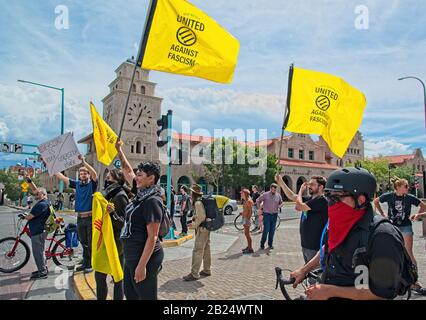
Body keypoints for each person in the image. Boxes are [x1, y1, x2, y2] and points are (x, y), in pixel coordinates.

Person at [291, 167, 409, 300]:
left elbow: (383, 292)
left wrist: (330, 291)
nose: (331, 204)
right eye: (328, 197)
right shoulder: (341, 222)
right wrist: (304, 270)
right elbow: (329, 247)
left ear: (361, 199)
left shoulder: (383, 235)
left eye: (337, 197)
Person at [120, 161, 164, 300]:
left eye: (140, 175)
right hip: (131, 256)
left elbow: (153, 237)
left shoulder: (152, 201)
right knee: (130, 293)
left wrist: (142, 265)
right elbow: (127, 171)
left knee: (146, 296)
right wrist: (119, 150)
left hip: (144, 258)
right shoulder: (140, 195)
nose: (136, 178)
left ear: (151, 178)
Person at [374, 177, 426, 293]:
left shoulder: (409, 198)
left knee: (408, 252)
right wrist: (382, 214)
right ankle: (392, 281)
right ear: (398, 187)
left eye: (408, 186)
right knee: (391, 252)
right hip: (392, 227)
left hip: (406, 226)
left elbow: (423, 205)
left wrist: (416, 215)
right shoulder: (389, 196)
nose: (408, 188)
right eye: (406, 186)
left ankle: (414, 281)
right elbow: (376, 201)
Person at [54, 154, 98, 273]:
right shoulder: (77, 184)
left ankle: (90, 264)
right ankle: (85, 262)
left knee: (90, 243)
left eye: (85, 173)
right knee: (83, 242)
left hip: (90, 218)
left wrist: (84, 162)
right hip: (80, 218)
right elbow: (62, 177)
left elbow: (94, 174)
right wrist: (51, 166)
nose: (83, 175)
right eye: (81, 173)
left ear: (88, 175)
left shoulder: (92, 185)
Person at [275, 174, 328, 264]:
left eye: (312, 184)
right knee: (309, 273)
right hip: (306, 245)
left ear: (321, 187)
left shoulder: (322, 200)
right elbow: (291, 196)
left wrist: (300, 191)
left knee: (315, 274)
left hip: (315, 246)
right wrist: (281, 182)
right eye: (309, 184)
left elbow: (299, 206)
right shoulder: (310, 199)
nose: (309, 186)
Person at [95, 169, 129, 300]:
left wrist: (112, 213)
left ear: (117, 181)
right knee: (100, 275)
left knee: (117, 277)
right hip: (105, 242)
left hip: (116, 244)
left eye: (109, 179)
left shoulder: (120, 196)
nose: (106, 181)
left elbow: (123, 224)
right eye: (106, 178)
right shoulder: (108, 195)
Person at [20, 176, 50, 280]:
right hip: (41, 230)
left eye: (38, 194)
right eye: (35, 194)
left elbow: (30, 217)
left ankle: (42, 272)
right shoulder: (46, 202)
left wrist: (24, 216)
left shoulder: (40, 205)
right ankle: (43, 268)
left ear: (43, 194)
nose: (36, 195)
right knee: (40, 251)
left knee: (38, 252)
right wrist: (30, 182)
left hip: (38, 231)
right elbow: (35, 189)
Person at [183, 184, 211, 281]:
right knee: (206, 248)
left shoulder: (198, 203)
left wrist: (194, 225)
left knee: (198, 250)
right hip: (206, 228)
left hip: (202, 229)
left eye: (191, 192)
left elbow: (201, 217)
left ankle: (194, 273)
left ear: (194, 193)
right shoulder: (201, 201)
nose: (190, 193)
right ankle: (207, 270)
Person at [256, 183, 283, 250]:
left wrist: (280, 205)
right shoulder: (265, 194)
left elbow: (281, 202)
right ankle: (262, 244)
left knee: (272, 230)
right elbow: (258, 200)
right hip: (267, 214)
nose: (274, 191)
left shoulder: (278, 195)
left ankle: (270, 244)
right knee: (266, 230)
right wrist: (259, 209)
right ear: (270, 188)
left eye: (275, 190)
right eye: (273, 189)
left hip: (275, 215)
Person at [241, 188, 254, 254]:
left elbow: (251, 211)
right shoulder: (246, 200)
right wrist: (242, 213)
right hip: (245, 218)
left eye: (242, 193)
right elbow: (246, 210)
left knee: (247, 234)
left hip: (246, 219)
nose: (241, 194)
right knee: (246, 234)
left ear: (245, 194)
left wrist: (247, 219)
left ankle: (250, 248)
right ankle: (248, 246)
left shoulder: (248, 201)